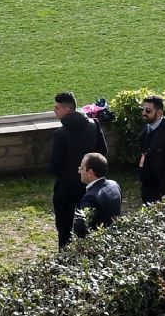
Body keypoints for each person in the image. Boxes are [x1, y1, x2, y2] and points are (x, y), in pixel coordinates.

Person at [48, 92, 108, 250]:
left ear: (67, 110)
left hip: (66, 187)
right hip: (90, 183)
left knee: (64, 228)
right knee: (90, 224)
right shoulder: (93, 124)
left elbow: (54, 165)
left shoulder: (60, 134)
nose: (55, 111)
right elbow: (102, 151)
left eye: (57, 108)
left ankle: (64, 256)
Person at [136, 96, 165, 205]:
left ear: (159, 113)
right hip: (148, 189)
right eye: (143, 109)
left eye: (148, 111)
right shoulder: (146, 129)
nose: (144, 113)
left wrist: (160, 193)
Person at [72, 153, 122, 239]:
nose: (79, 172)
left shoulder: (91, 197)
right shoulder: (114, 185)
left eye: (82, 168)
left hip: (97, 243)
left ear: (90, 172)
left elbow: (81, 228)